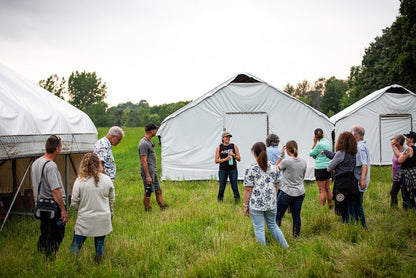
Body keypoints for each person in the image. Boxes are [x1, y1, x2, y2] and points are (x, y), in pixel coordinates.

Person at [70, 153, 115, 263]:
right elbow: (111, 200)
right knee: (100, 243)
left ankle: (72, 263)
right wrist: (110, 212)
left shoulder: (80, 181)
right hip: (102, 218)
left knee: (76, 244)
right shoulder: (107, 180)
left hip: (84, 218)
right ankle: (99, 263)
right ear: (98, 164)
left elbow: (74, 201)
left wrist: (80, 210)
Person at [243, 142, 288, 249]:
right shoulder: (274, 167)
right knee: (273, 226)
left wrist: (245, 205)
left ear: (254, 153)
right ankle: (285, 246)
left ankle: (262, 251)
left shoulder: (251, 168)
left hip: (256, 204)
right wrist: (272, 196)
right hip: (271, 203)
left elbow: (248, 189)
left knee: (259, 228)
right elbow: (277, 184)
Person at [31, 135, 68, 259]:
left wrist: (36, 202)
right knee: (55, 235)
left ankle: (40, 256)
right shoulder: (51, 166)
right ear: (57, 149)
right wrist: (63, 210)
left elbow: (33, 184)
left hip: (41, 205)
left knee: (44, 232)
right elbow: (56, 190)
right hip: (52, 206)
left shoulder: (36, 162)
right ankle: (50, 259)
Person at [323, 131, 359, 223]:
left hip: (342, 183)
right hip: (352, 181)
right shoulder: (354, 153)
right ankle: (353, 224)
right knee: (352, 204)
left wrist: (336, 169)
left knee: (342, 204)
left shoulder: (341, 153)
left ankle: (345, 224)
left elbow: (329, 168)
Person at [275, 140, 307, 237]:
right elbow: (303, 176)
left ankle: (277, 236)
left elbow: (275, 169)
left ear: (287, 150)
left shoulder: (286, 161)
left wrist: (281, 156)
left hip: (287, 192)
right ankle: (296, 236)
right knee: (296, 215)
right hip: (300, 192)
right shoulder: (303, 161)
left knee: (278, 215)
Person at [138, 123, 168, 212]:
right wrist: (147, 176)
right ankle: (147, 209)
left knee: (158, 190)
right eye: (155, 130)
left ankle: (162, 206)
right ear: (152, 131)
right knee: (148, 191)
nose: (156, 131)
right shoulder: (143, 143)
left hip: (153, 171)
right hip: (148, 172)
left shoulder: (149, 141)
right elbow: (143, 160)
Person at [351, 126, 370, 228]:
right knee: (357, 203)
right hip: (358, 180)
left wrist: (362, 179)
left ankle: (363, 226)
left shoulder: (360, 148)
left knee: (357, 204)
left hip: (358, 180)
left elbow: (364, 164)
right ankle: (359, 225)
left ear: (355, 135)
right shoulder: (363, 146)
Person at [309, 128, 333, 208]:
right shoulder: (328, 142)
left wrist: (314, 142)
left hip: (320, 168)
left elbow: (311, 153)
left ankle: (322, 208)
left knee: (321, 189)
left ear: (315, 136)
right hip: (328, 167)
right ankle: (330, 205)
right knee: (327, 188)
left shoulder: (319, 145)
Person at [215, 131, 241, 203]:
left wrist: (233, 155)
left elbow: (239, 159)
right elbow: (216, 160)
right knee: (222, 187)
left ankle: (237, 201)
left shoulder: (233, 146)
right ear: (222, 138)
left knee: (234, 186)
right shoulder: (219, 147)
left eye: (229, 137)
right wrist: (225, 159)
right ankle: (220, 201)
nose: (228, 138)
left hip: (233, 169)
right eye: (226, 137)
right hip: (223, 170)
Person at [395, 131, 416, 209]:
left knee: (406, 191)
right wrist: (393, 147)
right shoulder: (414, 149)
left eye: (407, 138)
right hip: (413, 172)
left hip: (408, 174)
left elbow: (400, 160)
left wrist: (400, 156)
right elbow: (399, 155)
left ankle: (410, 208)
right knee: (410, 191)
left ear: (411, 139)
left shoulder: (408, 149)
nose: (406, 139)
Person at [390, 134, 405, 208]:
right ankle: (394, 208)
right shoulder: (397, 150)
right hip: (396, 176)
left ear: (399, 142)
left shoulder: (404, 151)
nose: (393, 141)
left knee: (404, 193)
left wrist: (393, 146)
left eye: (395, 140)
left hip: (401, 175)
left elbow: (399, 156)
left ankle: (407, 208)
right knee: (393, 192)